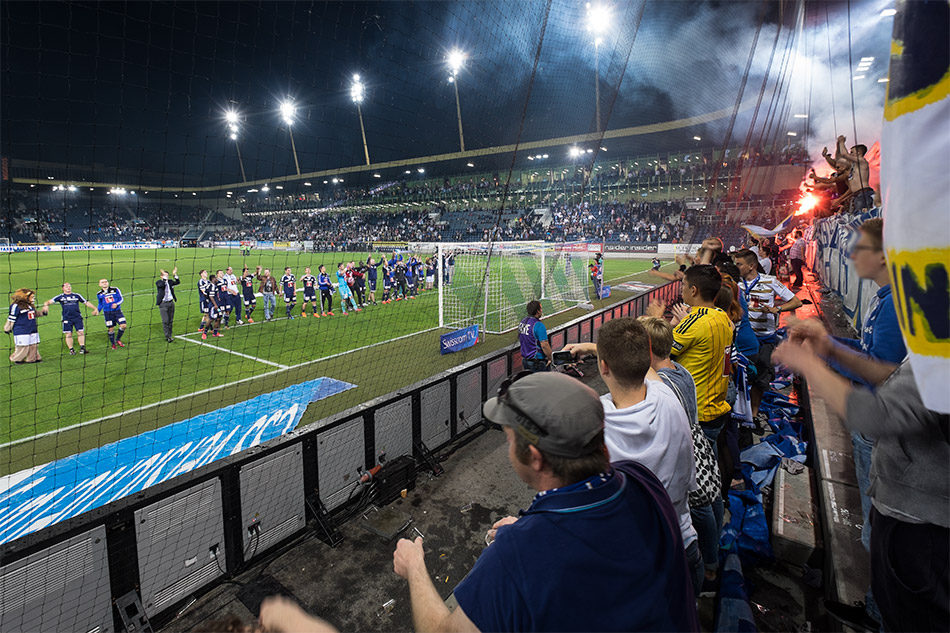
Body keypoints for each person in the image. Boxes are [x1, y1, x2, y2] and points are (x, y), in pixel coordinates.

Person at [393, 372, 698, 632]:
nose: (508, 447)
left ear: (535, 458)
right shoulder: (641, 479)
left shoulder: (518, 555)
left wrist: (414, 566)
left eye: (510, 440)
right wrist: (530, 531)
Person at [772, 341, 948, 633]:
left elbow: (874, 415)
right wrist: (831, 350)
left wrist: (808, 364)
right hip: (907, 516)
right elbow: (897, 380)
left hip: (924, 532)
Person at [564, 317, 703, 595]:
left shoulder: (591, 425)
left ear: (604, 367)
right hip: (683, 547)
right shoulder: (668, 394)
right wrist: (596, 348)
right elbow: (645, 369)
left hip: (632, 563)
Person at [639, 315, 724, 596]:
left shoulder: (662, 383)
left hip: (687, 449)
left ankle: (710, 569)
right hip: (698, 443)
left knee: (698, 508)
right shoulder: (681, 370)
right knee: (710, 498)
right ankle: (713, 560)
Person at [646, 265, 735, 487]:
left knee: (696, 486)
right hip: (715, 405)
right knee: (711, 470)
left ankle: (705, 520)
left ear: (693, 290)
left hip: (698, 412)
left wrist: (656, 319)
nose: (681, 289)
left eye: (684, 285)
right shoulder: (722, 317)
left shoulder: (696, 321)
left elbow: (657, 351)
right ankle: (720, 503)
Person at [732, 248, 802, 419]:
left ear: (751, 266)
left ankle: (754, 416)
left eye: (739, 264)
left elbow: (796, 301)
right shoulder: (735, 285)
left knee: (761, 379)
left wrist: (776, 309)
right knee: (738, 379)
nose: (736, 267)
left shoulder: (770, 281)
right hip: (742, 341)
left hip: (765, 339)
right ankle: (739, 413)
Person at [45, 282, 98, 354]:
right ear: (63, 288)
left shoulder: (77, 295)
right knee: (69, 334)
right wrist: (46, 306)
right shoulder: (60, 297)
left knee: (81, 332)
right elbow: (48, 302)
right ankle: (71, 350)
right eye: (66, 286)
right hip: (66, 318)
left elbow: (86, 302)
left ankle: (82, 348)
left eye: (69, 286)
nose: (68, 287)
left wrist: (95, 308)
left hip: (77, 317)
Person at [6, 288, 47, 363]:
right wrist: (7, 328)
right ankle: (17, 359)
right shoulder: (16, 306)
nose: (34, 298)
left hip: (32, 329)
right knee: (23, 347)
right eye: (32, 297)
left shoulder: (30, 306)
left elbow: (34, 314)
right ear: (25, 297)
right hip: (21, 330)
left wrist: (43, 313)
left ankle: (32, 359)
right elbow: (11, 318)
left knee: (33, 345)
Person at [835, 135, 875, 212]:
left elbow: (844, 154)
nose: (850, 154)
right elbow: (839, 158)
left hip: (864, 194)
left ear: (859, 153)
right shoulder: (853, 165)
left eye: (852, 152)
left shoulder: (862, 161)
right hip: (857, 195)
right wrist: (838, 145)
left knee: (863, 218)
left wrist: (842, 142)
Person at [518, 300, 552, 372]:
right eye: (541, 308)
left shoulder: (523, 322)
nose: (542, 311)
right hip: (537, 362)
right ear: (537, 311)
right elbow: (544, 345)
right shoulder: (538, 325)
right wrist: (550, 358)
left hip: (525, 361)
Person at [96, 278, 127, 350]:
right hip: (107, 313)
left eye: (106, 282)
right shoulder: (99, 294)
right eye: (102, 282)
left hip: (117, 311)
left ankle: (118, 339)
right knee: (111, 329)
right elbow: (100, 304)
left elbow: (121, 299)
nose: (104, 283)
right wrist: (98, 310)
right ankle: (113, 344)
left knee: (123, 325)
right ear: (99, 284)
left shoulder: (115, 289)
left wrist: (117, 303)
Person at [154, 267, 179, 342]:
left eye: (167, 275)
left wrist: (175, 275)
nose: (167, 277)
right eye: (165, 275)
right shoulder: (159, 282)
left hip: (171, 303)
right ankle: (167, 336)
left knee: (170, 321)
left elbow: (178, 282)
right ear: (161, 276)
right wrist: (165, 278)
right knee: (165, 321)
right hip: (163, 304)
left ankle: (170, 335)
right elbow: (161, 285)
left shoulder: (170, 282)